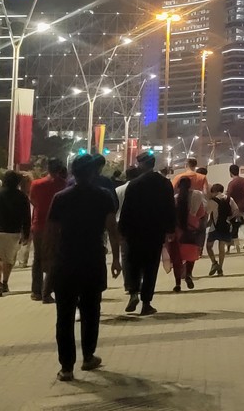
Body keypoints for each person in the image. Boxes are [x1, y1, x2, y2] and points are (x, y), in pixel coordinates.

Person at [47, 155, 121, 380]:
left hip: (66, 261)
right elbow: (112, 230)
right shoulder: (104, 196)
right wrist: (116, 259)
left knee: (65, 315)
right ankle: (88, 356)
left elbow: (51, 234)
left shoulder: (60, 197)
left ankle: (66, 367)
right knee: (91, 311)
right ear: (93, 173)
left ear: (73, 172)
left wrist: (49, 263)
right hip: (93, 259)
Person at [117, 154, 176, 315]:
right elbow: (170, 207)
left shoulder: (134, 184)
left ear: (141, 164)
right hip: (155, 231)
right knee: (151, 266)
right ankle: (146, 303)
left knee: (133, 263)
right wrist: (170, 229)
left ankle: (133, 293)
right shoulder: (164, 183)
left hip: (134, 231)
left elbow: (127, 210)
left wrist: (122, 230)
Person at [0, 171, 32, 297]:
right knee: (9, 259)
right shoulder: (22, 197)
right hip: (13, 231)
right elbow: (27, 217)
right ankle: (5, 282)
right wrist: (26, 233)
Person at [29, 159, 68, 303]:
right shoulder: (63, 184)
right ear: (60, 170)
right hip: (57, 226)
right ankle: (49, 290)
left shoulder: (36, 184)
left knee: (38, 258)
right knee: (54, 258)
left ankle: (36, 291)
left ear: (47, 168)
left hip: (39, 224)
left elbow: (33, 201)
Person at [172, 174, 208, 291]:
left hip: (178, 231)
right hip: (192, 229)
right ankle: (188, 274)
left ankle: (177, 284)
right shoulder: (197, 195)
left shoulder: (176, 198)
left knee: (177, 259)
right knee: (190, 256)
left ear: (178, 186)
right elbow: (202, 213)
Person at [205, 184, 231, 276]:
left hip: (214, 227)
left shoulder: (213, 201)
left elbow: (207, 212)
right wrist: (228, 219)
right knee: (221, 248)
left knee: (209, 246)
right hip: (225, 226)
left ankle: (214, 263)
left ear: (215, 191)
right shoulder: (229, 199)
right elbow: (236, 210)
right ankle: (220, 268)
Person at [225, 163, 244, 250]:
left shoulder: (232, 183)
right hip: (243, 204)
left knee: (233, 225)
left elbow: (229, 195)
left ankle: (233, 244)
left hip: (234, 206)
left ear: (231, 172)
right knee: (242, 222)